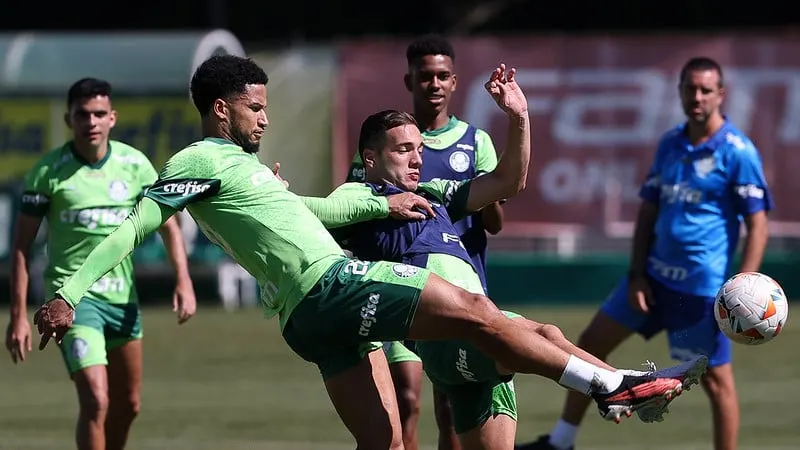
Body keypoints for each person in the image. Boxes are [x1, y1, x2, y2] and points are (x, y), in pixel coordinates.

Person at [35, 55, 706, 449]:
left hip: (309, 325)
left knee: (384, 443)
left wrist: (378, 204)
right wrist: (67, 291)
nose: (264, 119)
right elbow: (133, 225)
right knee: (476, 309)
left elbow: (314, 210)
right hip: (331, 286)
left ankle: (612, 387)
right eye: (255, 108)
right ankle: (609, 384)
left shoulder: (240, 172)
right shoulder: (197, 159)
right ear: (220, 109)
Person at [299, 104, 708, 450]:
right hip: (449, 338)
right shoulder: (361, 195)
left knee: (544, 338)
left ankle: (619, 389)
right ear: (370, 158)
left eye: (419, 149)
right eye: (403, 149)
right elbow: (312, 213)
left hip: (481, 333)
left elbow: (508, 181)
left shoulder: (434, 195)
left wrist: (520, 117)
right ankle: (617, 387)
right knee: (546, 333)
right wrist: (293, 195)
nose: (417, 158)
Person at [516, 57, 773, 450]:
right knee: (589, 346)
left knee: (716, 382)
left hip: (700, 293)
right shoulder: (670, 143)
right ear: (681, 92)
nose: (697, 97)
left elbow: (757, 224)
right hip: (650, 281)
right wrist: (637, 272)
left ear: (721, 95)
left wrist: (746, 285)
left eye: (706, 90)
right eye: (690, 89)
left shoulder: (738, 152)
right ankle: (561, 442)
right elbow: (648, 211)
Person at [4, 77, 197, 450]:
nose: (90, 122)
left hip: (122, 301)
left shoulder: (135, 165)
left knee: (129, 405)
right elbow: (21, 247)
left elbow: (169, 226)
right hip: (72, 303)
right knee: (95, 399)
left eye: (98, 114)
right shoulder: (48, 172)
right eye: (82, 115)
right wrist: (17, 315)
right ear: (68, 119)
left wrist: (183, 280)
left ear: (113, 118)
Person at [346, 34, 504, 450]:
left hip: (459, 281)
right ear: (409, 80)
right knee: (407, 396)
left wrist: (486, 195)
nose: (433, 85)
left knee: (451, 407)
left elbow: (496, 222)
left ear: (454, 82)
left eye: (442, 76)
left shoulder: (474, 142)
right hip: (399, 278)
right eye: (424, 77)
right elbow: (355, 210)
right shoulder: (382, 146)